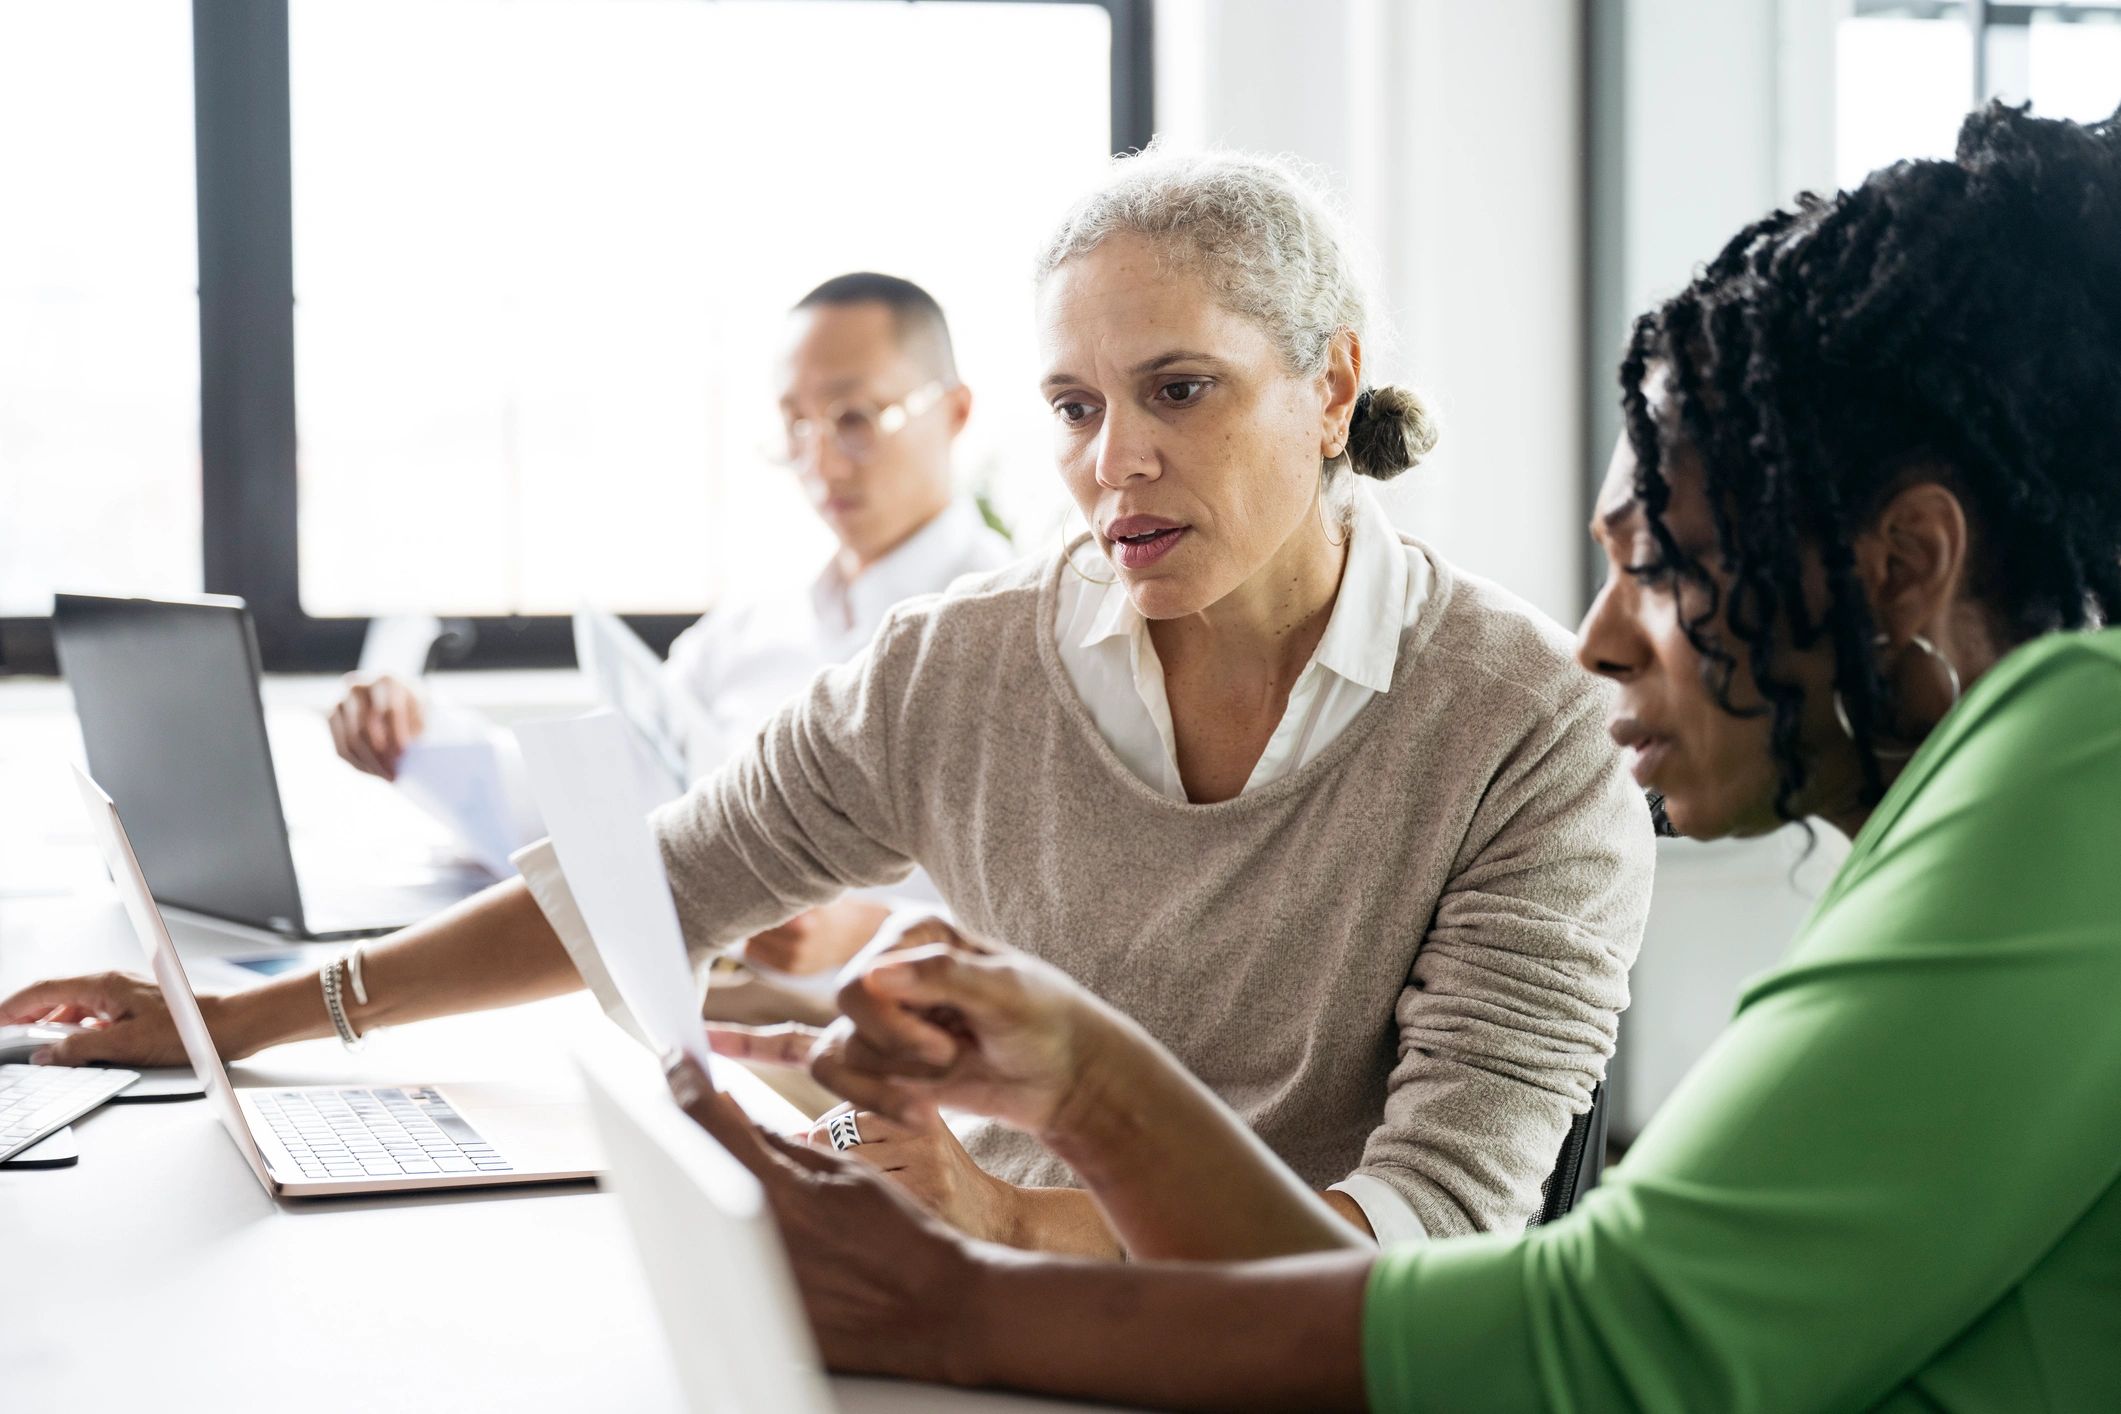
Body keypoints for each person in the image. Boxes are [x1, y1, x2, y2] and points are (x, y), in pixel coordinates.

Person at [669, 102, 2121, 1410]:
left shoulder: (2084, 755)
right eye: (1079, 405)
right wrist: (1070, 1097)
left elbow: (1612, 1330)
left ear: (1910, 560)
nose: (1601, 639)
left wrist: (970, 1294)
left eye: (1665, 569)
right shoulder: (1983, 809)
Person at [3, 150, 1653, 1257]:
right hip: (966, 1324)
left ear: (1333, 385)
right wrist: (258, 1017)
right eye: (1076, 404)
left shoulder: (1527, 726)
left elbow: (1434, 1237)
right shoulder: (963, 663)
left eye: (1181, 390)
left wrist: (1013, 1223)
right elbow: (656, 878)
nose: (1116, 462)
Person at [329, 272, 1013, 990]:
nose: (820, 460)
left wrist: (867, 930)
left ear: (955, 411)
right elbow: (598, 805)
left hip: (883, 1058)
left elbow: (1071, 921)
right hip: (698, 1022)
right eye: (795, 424)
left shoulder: (1006, 633)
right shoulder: (753, 627)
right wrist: (413, 735)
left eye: (854, 417)